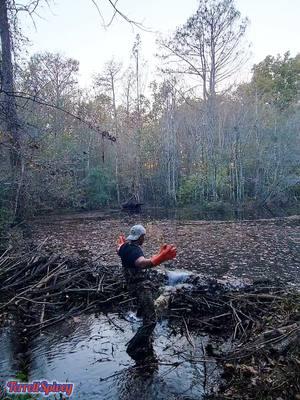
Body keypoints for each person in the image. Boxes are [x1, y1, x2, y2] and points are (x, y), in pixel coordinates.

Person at [117, 224, 176, 359]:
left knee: (143, 310)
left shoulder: (125, 247)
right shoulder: (135, 251)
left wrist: (158, 255)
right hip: (140, 288)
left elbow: (119, 250)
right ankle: (134, 347)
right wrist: (161, 258)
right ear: (140, 237)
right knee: (151, 321)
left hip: (132, 286)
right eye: (144, 236)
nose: (144, 239)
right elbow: (141, 263)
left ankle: (139, 318)